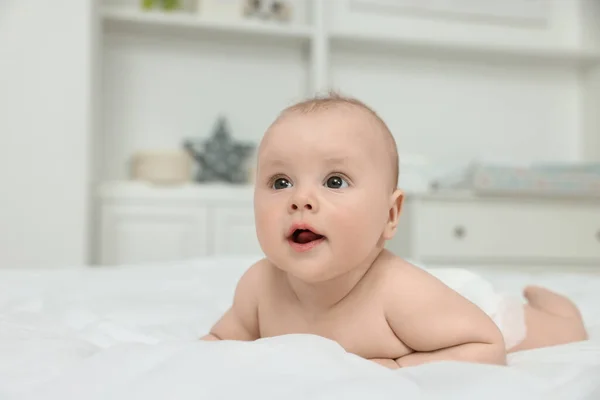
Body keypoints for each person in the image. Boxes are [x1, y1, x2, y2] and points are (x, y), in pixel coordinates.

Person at [201, 93, 588, 369]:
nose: (300, 199)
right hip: (435, 312)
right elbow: (219, 342)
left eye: (334, 181)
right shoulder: (258, 286)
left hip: (464, 313)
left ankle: (558, 310)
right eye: (280, 182)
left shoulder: (399, 292)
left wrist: (403, 368)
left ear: (390, 214)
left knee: (552, 332)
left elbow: (486, 344)